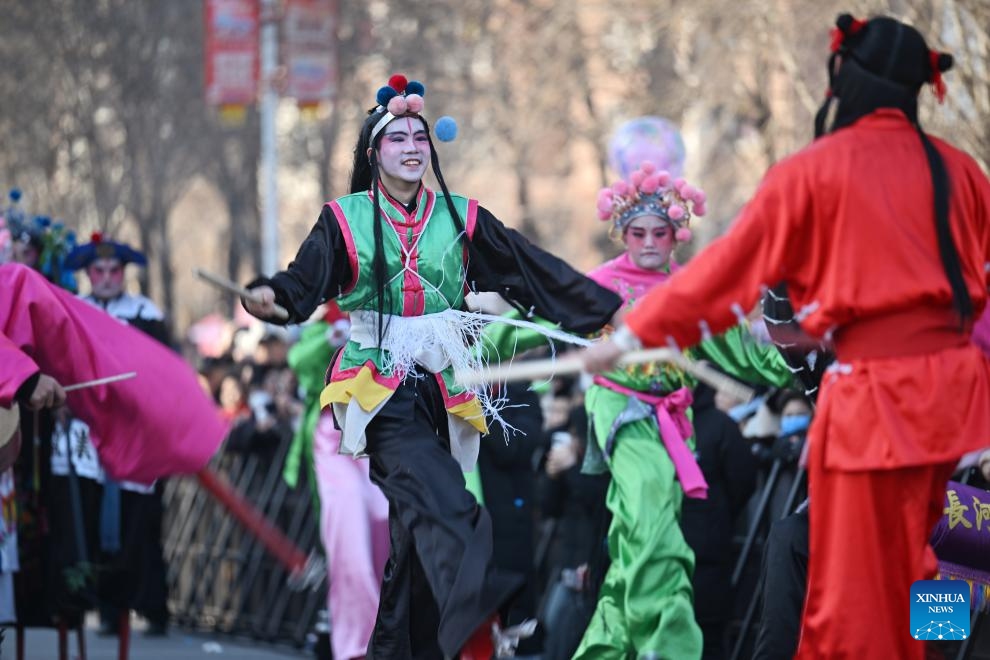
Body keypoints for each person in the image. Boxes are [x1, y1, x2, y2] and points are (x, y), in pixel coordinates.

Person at [581, 14, 990, 659]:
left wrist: (635, 330)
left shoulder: (816, 171)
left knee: (847, 590)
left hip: (877, 409)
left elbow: (726, 272)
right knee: (922, 559)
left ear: (843, 80)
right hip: (957, 414)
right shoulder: (964, 174)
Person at [241, 73, 623, 659]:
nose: (413, 147)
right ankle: (481, 609)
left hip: (440, 381)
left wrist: (601, 314)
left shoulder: (462, 215)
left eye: (420, 137)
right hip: (378, 383)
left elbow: (528, 268)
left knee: (413, 539)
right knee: (441, 492)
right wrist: (274, 297)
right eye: (398, 139)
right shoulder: (343, 218)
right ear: (375, 152)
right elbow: (305, 280)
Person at [569, 162, 792, 660]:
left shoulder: (694, 291)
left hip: (677, 419)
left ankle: (611, 646)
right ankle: (667, 643)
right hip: (620, 407)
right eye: (638, 233)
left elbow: (749, 355)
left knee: (641, 531)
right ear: (622, 235)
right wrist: (470, 335)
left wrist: (810, 368)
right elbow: (536, 312)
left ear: (676, 237)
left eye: (660, 233)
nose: (649, 243)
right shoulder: (598, 285)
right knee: (650, 501)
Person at [64, 234, 172, 636]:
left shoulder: (145, 312)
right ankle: (107, 609)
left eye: (114, 271)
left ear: (123, 273)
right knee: (94, 517)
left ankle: (153, 608)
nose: (107, 277)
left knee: (140, 519)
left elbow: (164, 371)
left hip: (138, 433)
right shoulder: (76, 311)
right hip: (90, 435)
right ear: (89, 274)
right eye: (99, 271)